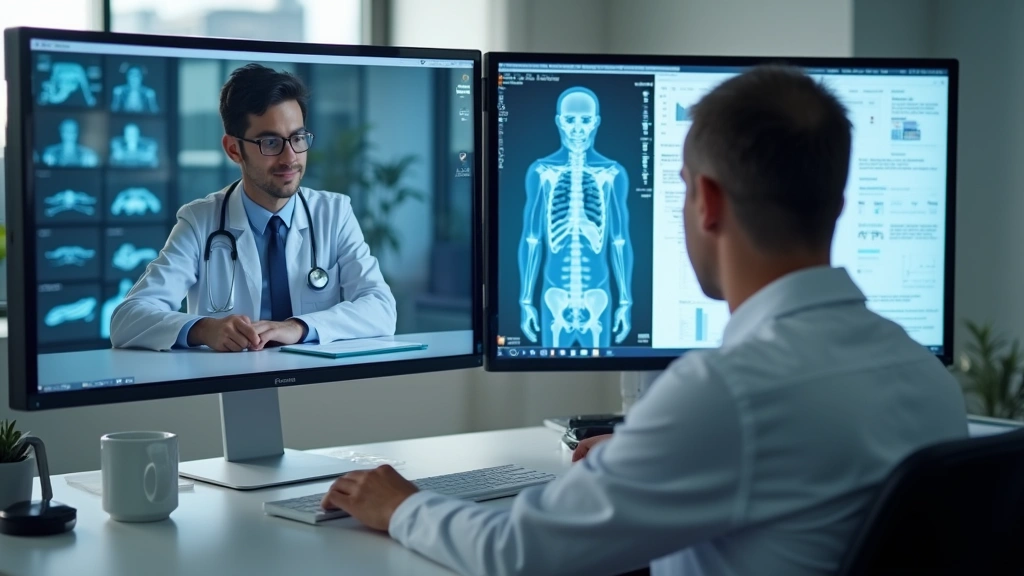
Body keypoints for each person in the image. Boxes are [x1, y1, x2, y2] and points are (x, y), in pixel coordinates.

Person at [317, 65, 968, 576]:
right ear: (839, 200)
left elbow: (517, 553)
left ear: (706, 201)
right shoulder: (925, 375)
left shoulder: (727, 392)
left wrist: (400, 504)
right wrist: (646, 457)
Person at [110, 64, 396, 352]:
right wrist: (204, 328)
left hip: (315, 386)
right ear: (234, 149)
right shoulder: (201, 221)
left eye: (297, 138)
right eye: (270, 142)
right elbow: (126, 320)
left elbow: (381, 309)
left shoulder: (334, 214)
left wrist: (298, 327)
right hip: (233, 386)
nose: (290, 158)